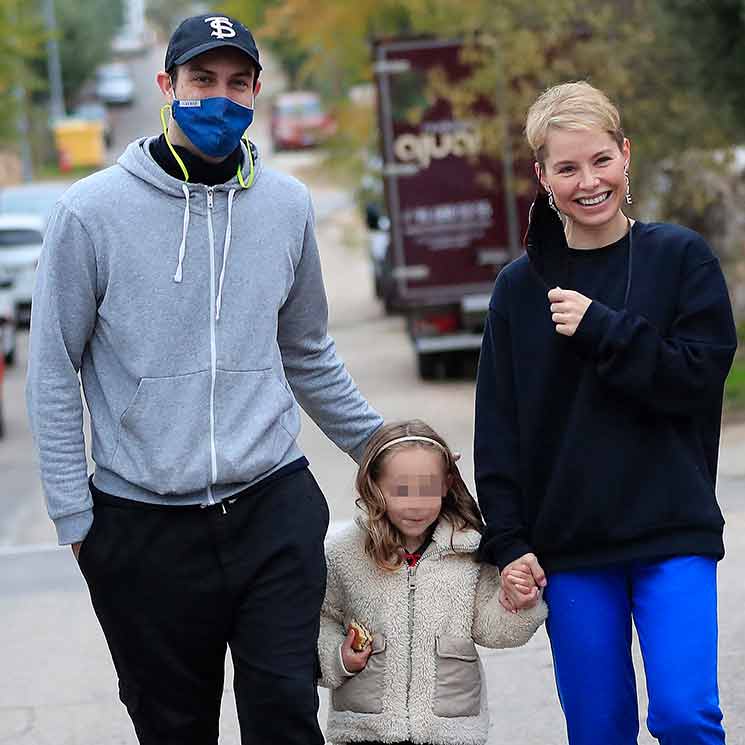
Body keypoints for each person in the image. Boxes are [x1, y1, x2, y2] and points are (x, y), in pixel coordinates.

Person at [26, 13, 383, 745]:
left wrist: (388, 448)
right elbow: (54, 371)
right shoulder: (89, 214)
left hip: (271, 505)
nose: (219, 98)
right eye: (201, 81)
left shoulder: (286, 205)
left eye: (236, 83)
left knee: (286, 715)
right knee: (174, 728)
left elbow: (307, 349)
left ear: (256, 92)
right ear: (167, 86)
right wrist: (77, 523)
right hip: (142, 527)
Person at [474, 80, 738, 745]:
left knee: (684, 714)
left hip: (671, 531)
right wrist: (508, 540)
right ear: (541, 176)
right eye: (565, 168)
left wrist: (604, 330)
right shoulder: (517, 289)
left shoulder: (679, 258)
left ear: (625, 155)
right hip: (569, 548)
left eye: (600, 160)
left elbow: (698, 379)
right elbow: (498, 428)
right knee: (598, 731)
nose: (587, 181)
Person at [317, 420, 547, 745]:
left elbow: (492, 631)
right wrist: (337, 656)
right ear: (374, 486)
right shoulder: (346, 553)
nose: (415, 503)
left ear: (446, 484)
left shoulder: (468, 552)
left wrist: (518, 603)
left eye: (427, 487)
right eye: (401, 489)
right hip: (365, 730)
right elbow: (320, 618)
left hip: (449, 732)